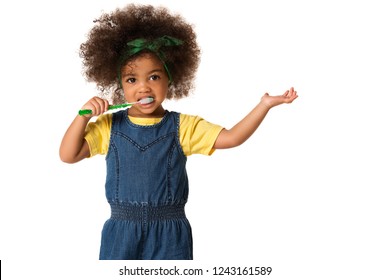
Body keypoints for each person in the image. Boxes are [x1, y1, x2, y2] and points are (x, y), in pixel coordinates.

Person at [59, 4, 298, 260]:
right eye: (132, 80)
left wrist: (264, 105)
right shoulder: (109, 126)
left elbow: (232, 137)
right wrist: (81, 117)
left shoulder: (183, 126)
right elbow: (68, 155)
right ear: (119, 86)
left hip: (170, 234)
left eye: (153, 77)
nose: (143, 88)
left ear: (170, 79)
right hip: (121, 233)